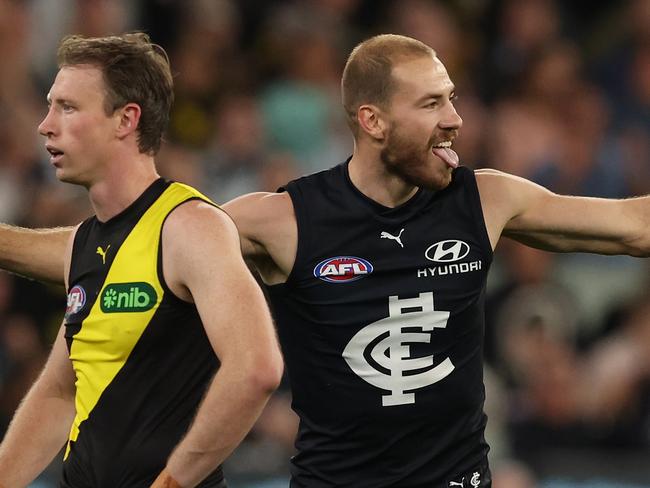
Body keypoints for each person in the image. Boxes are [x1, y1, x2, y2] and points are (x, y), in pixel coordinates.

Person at [1, 33, 649, 487]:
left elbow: (631, 227)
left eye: (450, 98)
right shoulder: (283, 219)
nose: (454, 119)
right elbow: (132, 251)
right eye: (431, 104)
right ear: (371, 120)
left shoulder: (488, 198)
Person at [0, 33, 283, 488]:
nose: (45, 125)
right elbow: (60, 391)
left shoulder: (190, 226)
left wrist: (173, 482)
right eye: (51, 105)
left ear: (126, 119)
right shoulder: (86, 242)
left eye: (68, 108)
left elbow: (256, 368)